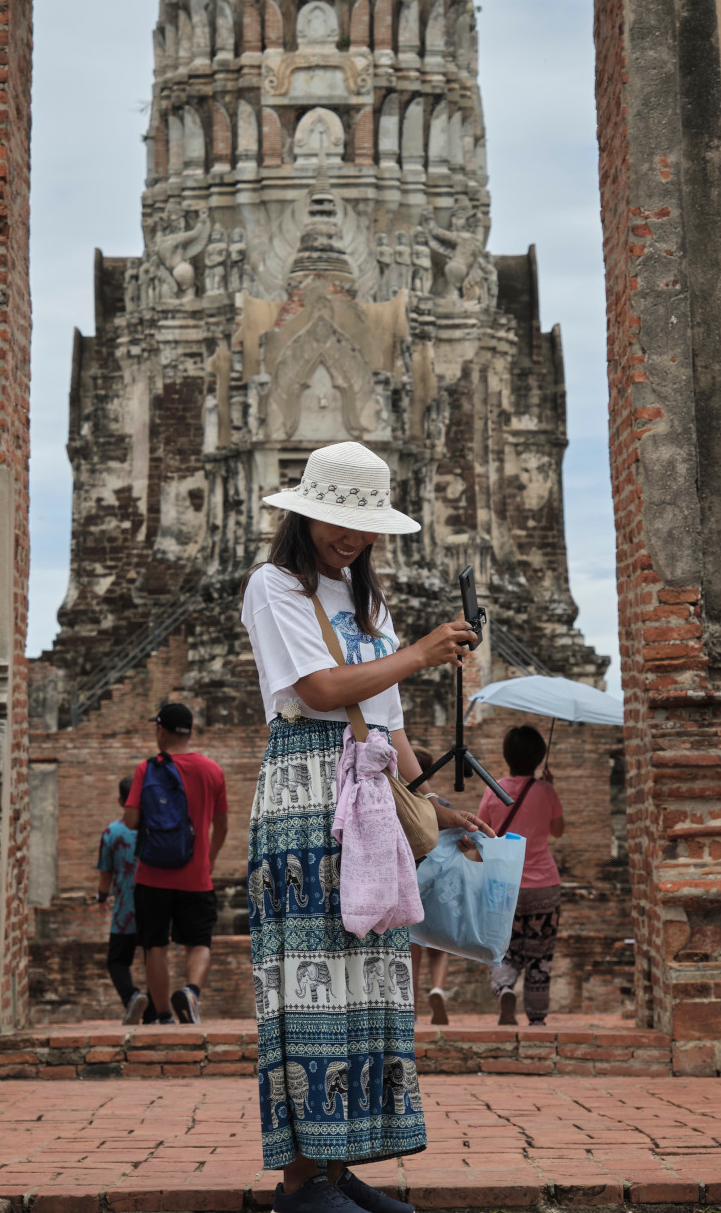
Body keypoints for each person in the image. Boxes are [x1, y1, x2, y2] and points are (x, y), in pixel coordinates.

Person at [241, 440, 492, 1213]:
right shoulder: (274, 586)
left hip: (373, 787)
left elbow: (386, 719)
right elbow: (320, 689)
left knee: (366, 977)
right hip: (306, 791)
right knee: (308, 980)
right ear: (305, 516)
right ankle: (299, 1182)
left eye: (363, 528)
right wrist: (419, 652)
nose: (350, 539)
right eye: (336, 523)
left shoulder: (368, 602)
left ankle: (336, 1165)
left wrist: (429, 803)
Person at [124, 701, 229, 1026]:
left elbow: (130, 821)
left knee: (154, 946)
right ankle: (191, 992)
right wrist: (209, 860)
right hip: (196, 876)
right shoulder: (212, 770)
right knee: (199, 942)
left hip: (152, 875)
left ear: (161, 731)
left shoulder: (146, 769)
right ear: (190, 732)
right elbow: (222, 825)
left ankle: (165, 1017)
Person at [476, 723, 565, 1026]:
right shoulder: (546, 790)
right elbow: (558, 831)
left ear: (507, 755)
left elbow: (483, 832)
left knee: (505, 947)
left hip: (504, 885)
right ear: (539, 756)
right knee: (540, 953)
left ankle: (504, 988)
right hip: (544, 886)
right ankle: (537, 1018)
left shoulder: (494, 789)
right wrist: (548, 788)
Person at [96, 774, 149, 1025]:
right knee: (154, 958)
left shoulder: (112, 832)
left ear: (120, 801)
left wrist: (102, 897)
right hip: (154, 906)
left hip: (125, 909)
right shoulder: (155, 830)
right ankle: (155, 1012)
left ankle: (131, 997)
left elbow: (105, 872)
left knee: (116, 960)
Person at [407, 747, 451, 1026]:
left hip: (410, 884)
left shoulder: (399, 803)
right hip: (437, 885)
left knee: (412, 951)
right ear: (431, 774)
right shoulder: (442, 806)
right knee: (439, 946)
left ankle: (410, 1008)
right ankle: (437, 989)